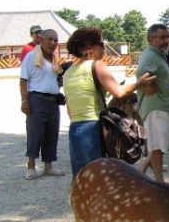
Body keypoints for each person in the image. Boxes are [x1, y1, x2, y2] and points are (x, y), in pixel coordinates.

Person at [63, 27, 154, 178]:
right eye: (101, 43)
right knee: (98, 176)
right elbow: (119, 92)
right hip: (92, 127)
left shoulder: (68, 72)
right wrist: (140, 83)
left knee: (81, 177)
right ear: (88, 48)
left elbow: (69, 109)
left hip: (75, 128)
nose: (104, 47)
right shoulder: (96, 65)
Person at [20, 29, 65, 180]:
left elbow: (54, 80)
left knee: (52, 134)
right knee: (35, 134)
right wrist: (25, 101)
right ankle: (31, 166)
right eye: (50, 39)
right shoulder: (32, 57)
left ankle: (48, 166)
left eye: (55, 40)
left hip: (52, 102)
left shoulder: (54, 59)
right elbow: (23, 80)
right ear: (42, 40)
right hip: (36, 100)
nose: (53, 43)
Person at [136, 24, 169, 182]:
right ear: (151, 38)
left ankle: (139, 175)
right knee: (157, 148)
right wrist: (151, 86)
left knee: (158, 146)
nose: (166, 40)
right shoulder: (150, 55)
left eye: (167, 37)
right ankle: (160, 184)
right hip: (156, 108)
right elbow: (141, 72)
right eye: (162, 37)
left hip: (161, 107)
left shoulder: (157, 54)